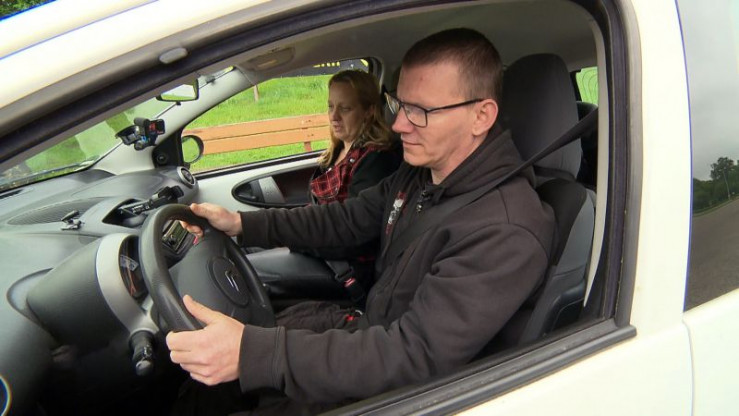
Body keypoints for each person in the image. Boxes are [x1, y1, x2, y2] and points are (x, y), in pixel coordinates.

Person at [167, 28, 555, 415]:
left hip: (398, 388)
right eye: (399, 104)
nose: (399, 124)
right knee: (210, 385)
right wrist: (241, 224)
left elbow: (413, 354)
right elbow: (345, 219)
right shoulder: (421, 175)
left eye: (420, 111)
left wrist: (256, 355)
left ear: (481, 116)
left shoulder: (506, 229)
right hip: (368, 332)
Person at [310, 69, 400, 205]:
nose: (334, 116)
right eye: (331, 106)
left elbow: (354, 216)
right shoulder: (335, 151)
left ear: (368, 111)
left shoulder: (376, 160)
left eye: (345, 108)